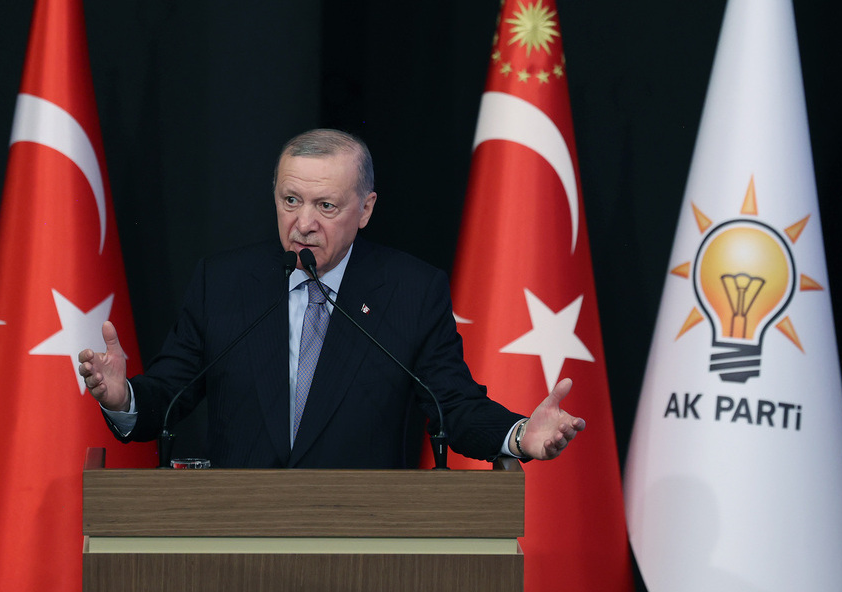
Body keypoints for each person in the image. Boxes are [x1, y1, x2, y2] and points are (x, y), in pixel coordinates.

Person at [77, 128, 584, 468]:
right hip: (236, 540)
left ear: (365, 209)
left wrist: (518, 435)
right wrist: (124, 398)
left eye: (326, 206)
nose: (303, 223)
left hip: (364, 544)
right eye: (290, 200)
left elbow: (452, 404)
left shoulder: (409, 290)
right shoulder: (224, 282)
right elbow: (168, 397)